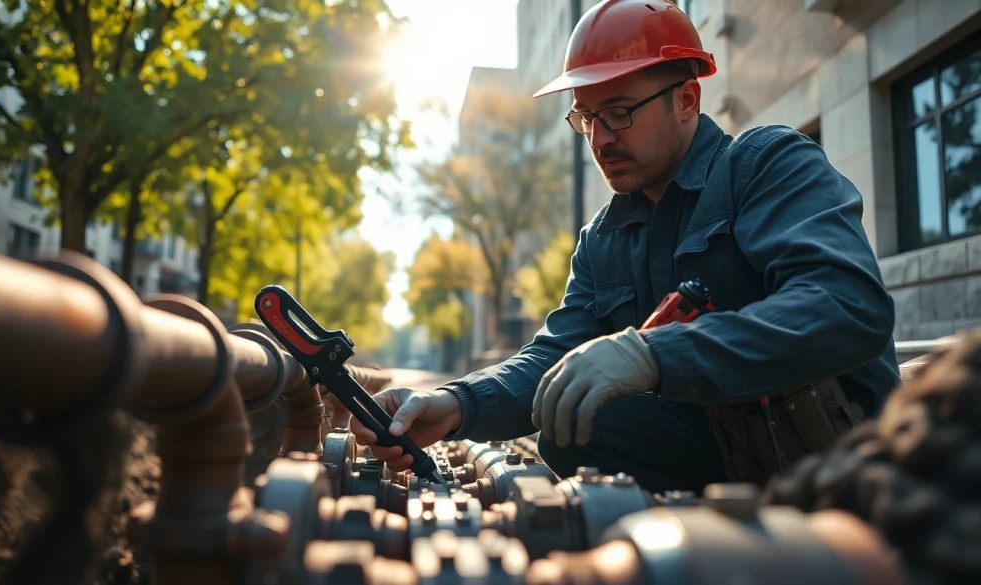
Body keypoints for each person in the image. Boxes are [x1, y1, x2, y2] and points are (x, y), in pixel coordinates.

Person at [351, 0, 900, 492]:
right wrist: (456, 404)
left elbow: (845, 306)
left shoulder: (767, 165)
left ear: (686, 100)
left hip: (852, 467)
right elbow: (554, 356)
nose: (600, 137)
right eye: (586, 117)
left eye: (618, 112)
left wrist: (653, 354)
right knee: (571, 426)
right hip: (734, 461)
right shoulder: (604, 237)